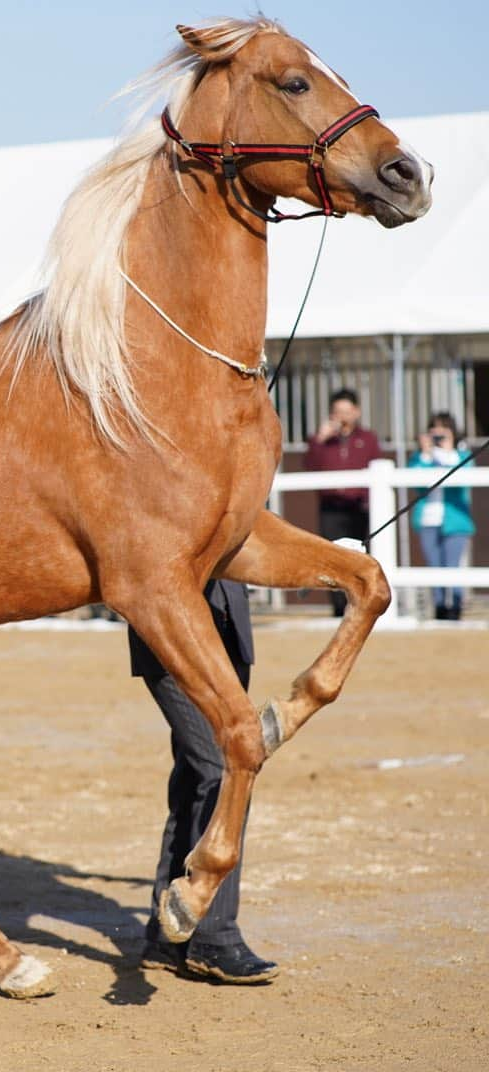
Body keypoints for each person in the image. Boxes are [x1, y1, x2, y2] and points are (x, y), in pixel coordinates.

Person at [130, 580, 278, 984]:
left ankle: (168, 935)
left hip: (228, 635)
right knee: (226, 770)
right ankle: (214, 935)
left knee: (194, 775)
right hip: (172, 637)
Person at [305, 388, 382, 615]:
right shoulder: (322, 440)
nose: (343, 416)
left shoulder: (367, 439)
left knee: (360, 556)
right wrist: (320, 440)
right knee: (333, 557)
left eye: (347, 411)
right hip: (331, 508)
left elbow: (375, 467)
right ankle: (338, 608)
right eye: (338, 411)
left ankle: (360, 602)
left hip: (358, 507)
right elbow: (309, 465)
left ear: (357, 412)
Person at [409, 412, 475, 621]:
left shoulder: (461, 455)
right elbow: (416, 482)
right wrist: (427, 454)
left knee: (453, 565)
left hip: (456, 520)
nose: (438, 434)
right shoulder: (422, 457)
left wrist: (447, 452)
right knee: (434, 566)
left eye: (443, 429)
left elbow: (466, 475)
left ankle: (455, 606)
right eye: (434, 429)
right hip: (428, 519)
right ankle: (439, 607)